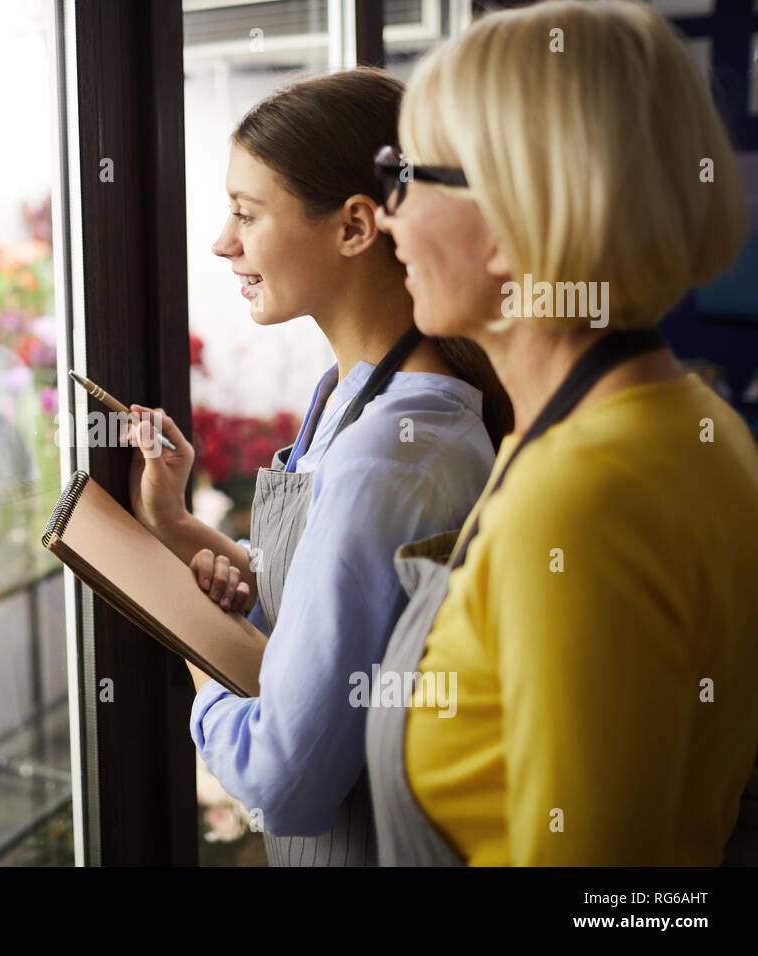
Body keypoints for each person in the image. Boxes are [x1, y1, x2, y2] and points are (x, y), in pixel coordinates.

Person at [367, 0, 758, 865]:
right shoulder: (696, 423)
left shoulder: (580, 498)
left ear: (507, 221)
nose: (387, 215)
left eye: (407, 177)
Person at [126, 67, 509, 866]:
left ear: (355, 226)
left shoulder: (390, 452)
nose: (222, 241)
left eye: (245, 213)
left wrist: (194, 634)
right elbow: (325, 612)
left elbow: (282, 779)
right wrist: (176, 523)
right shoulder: (350, 396)